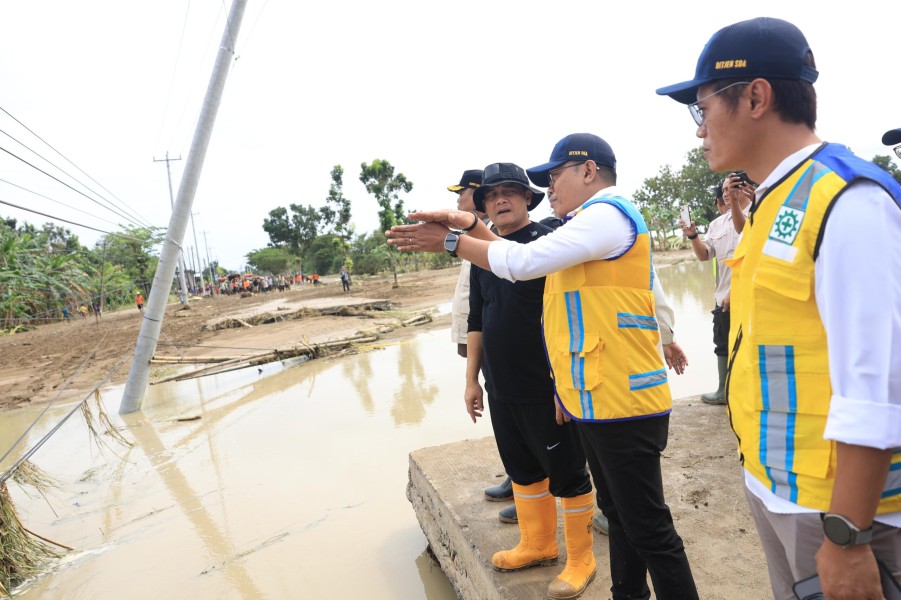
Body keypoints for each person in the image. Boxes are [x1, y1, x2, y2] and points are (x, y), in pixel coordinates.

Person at [386, 133, 697, 600]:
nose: (548, 187)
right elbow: (514, 255)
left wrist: (454, 240)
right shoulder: (582, 225)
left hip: (625, 400)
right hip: (599, 396)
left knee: (649, 527)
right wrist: (471, 223)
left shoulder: (608, 216)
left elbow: (523, 260)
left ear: (588, 171)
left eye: (554, 176)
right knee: (622, 514)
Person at [657, 17, 901, 600]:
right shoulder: (771, 202)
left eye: (702, 108)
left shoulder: (850, 201)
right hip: (777, 488)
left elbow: (877, 387)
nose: (698, 131)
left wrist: (847, 535)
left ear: (757, 96)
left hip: (838, 511)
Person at [462, 162, 596, 599]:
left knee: (568, 473)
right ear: (483, 206)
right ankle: (538, 544)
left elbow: (572, 316)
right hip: (501, 387)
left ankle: (581, 557)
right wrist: (472, 381)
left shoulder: (550, 241)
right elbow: (477, 319)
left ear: (527, 198)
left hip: (546, 387)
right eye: (490, 196)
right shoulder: (486, 254)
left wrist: (564, 384)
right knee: (522, 470)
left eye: (509, 192)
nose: (499, 200)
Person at [446, 169, 517, 516]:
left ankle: (526, 480)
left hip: (501, 340)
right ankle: (518, 476)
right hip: (481, 334)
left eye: (462, 193)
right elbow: (473, 300)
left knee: (516, 409)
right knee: (501, 405)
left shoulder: (493, 239)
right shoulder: (472, 237)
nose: (458, 200)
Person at [679, 173, 752, 405]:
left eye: (730, 188)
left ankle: (747, 392)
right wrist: (692, 235)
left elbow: (750, 249)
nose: (725, 194)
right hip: (722, 298)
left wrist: (736, 290)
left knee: (749, 345)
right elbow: (704, 255)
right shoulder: (717, 223)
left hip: (750, 296)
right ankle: (724, 389)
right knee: (722, 344)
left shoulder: (759, 212)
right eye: (723, 190)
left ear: (745, 188)